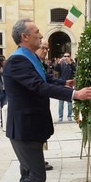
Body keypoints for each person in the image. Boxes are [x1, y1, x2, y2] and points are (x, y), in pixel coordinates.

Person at [0, 18, 91, 182]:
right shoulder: (18, 61)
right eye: (37, 32)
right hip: (24, 129)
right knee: (36, 177)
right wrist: (74, 95)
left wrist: (64, 84)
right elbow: (37, 86)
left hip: (32, 126)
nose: (41, 35)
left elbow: (44, 78)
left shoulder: (30, 58)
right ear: (24, 37)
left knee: (28, 174)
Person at [35, 39, 73, 171]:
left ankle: (39, 159)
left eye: (47, 49)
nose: (45, 51)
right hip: (33, 110)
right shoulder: (30, 62)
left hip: (41, 108)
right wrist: (73, 94)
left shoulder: (40, 63)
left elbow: (49, 78)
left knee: (41, 135)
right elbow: (42, 86)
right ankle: (36, 161)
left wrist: (64, 83)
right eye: (43, 48)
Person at [54, 52, 76, 121]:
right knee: (61, 102)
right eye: (65, 56)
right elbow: (56, 69)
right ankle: (60, 116)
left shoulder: (72, 64)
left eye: (68, 56)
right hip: (62, 84)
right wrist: (58, 63)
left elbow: (75, 70)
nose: (66, 57)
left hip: (69, 85)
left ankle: (69, 116)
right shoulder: (61, 64)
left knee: (69, 102)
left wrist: (70, 63)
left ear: (70, 57)